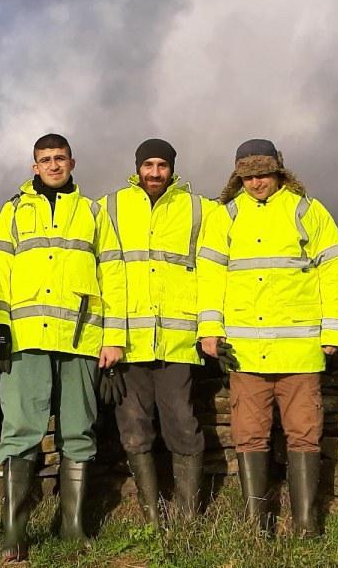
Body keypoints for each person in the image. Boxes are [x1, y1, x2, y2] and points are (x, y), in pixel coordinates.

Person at [197, 139, 338, 537]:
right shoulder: (225, 216)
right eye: (247, 176)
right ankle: (257, 525)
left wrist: (334, 329)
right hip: (245, 352)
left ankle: (306, 524)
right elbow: (210, 276)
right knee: (249, 434)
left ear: (280, 171)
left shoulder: (308, 210)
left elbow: (333, 269)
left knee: (304, 432)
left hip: (300, 352)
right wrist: (210, 330)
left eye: (263, 173)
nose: (256, 182)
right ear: (238, 176)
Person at [0, 133, 126, 561]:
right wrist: (0, 328)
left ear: (72, 162)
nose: (52, 165)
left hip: (81, 341)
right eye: (44, 159)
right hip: (26, 341)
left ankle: (73, 528)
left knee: (78, 432)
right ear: (33, 166)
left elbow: (114, 274)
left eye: (59, 158)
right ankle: (15, 534)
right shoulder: (11, 210)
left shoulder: (92, 212)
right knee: (21, 432)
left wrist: (114, 337)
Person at [96, 138, 213, 525]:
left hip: (178, 343)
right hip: (128, 344)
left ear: (172, 169)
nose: (155, 173)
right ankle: (151, 515)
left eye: (162, 165)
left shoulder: (200, 209)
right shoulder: (109, 206)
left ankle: (187, 517)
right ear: (137, 167)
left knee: (183, 424)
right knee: (133, 429)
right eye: (148, 165)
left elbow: (216, 271)